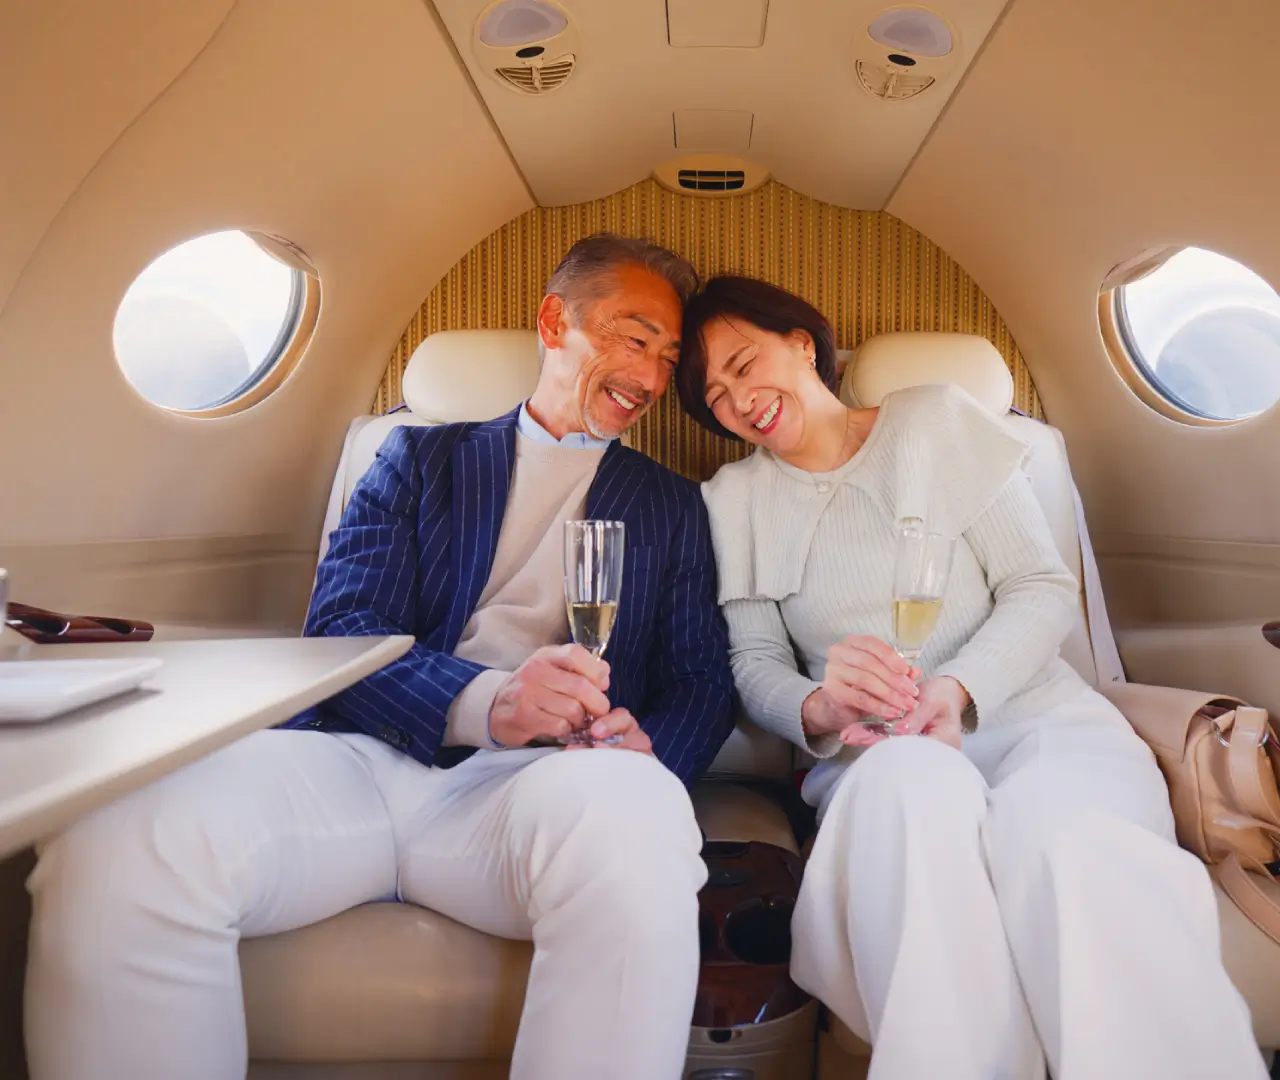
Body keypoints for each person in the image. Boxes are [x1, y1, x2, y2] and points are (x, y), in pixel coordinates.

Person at [25, 235, 736, 1080]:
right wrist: (489, 701)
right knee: (116, 835)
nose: (650, 377)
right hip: (363, 762)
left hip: (543, 789)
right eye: (633, 338)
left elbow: (700, 679)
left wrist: (646, 751)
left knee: (641, 813)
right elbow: (345, 627)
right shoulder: (417, 460)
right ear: (555, 323)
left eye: (667, 357)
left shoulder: (672, 507)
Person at [675, 274, 1267, 1080]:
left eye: (744, 365)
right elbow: (753, 664)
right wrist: (820, 703)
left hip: (1040, 724)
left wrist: (955, 690)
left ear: (802, 345)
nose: (739, 400)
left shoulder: (935, 422)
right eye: (715, 396)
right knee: (915, 797)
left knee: (1071, 845)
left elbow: (1040, 587)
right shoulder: (733, 500)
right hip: (883, 754)